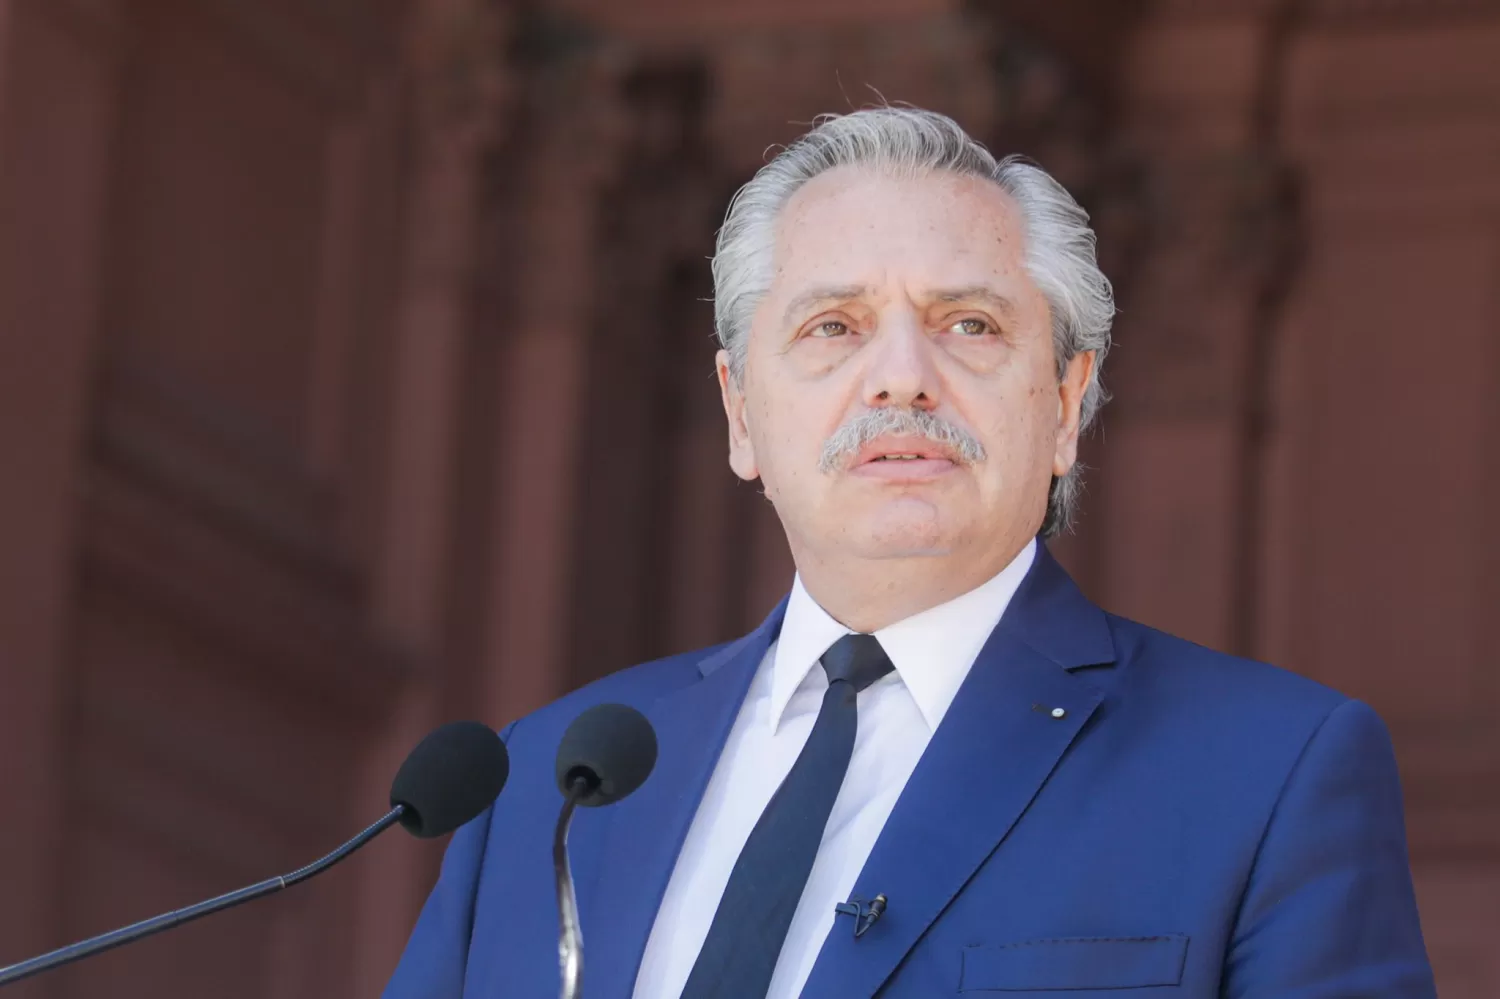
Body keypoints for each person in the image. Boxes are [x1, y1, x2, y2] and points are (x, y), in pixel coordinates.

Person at [383, 107, 1435, 998]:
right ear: (741, 413)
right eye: (833, 327)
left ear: (1067, 405)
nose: (901, 378)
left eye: (969, 326)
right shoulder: (538, 783)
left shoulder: (1271, 772)